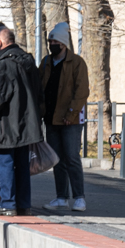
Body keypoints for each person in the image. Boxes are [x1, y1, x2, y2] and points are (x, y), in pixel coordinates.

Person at [0, 25, 44, 217]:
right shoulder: (29, 63)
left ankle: (8, 204)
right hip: (27, 124)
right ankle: (24, 204)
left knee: (5, 164)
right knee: (23, 165)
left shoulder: (2, 65)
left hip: (6, 125)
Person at [40, 22, 91, 213]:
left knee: (71, 157)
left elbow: (82, 91)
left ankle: (79, 197)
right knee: (57, 159)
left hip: (70, 120)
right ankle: (61, 197)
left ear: (62, 43)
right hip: (51, 118)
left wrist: (71, 114)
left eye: (54, 40)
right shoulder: (45, 62)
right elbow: (40, 88)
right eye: (49, 40)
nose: (51, 43)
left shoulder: (77, 63)